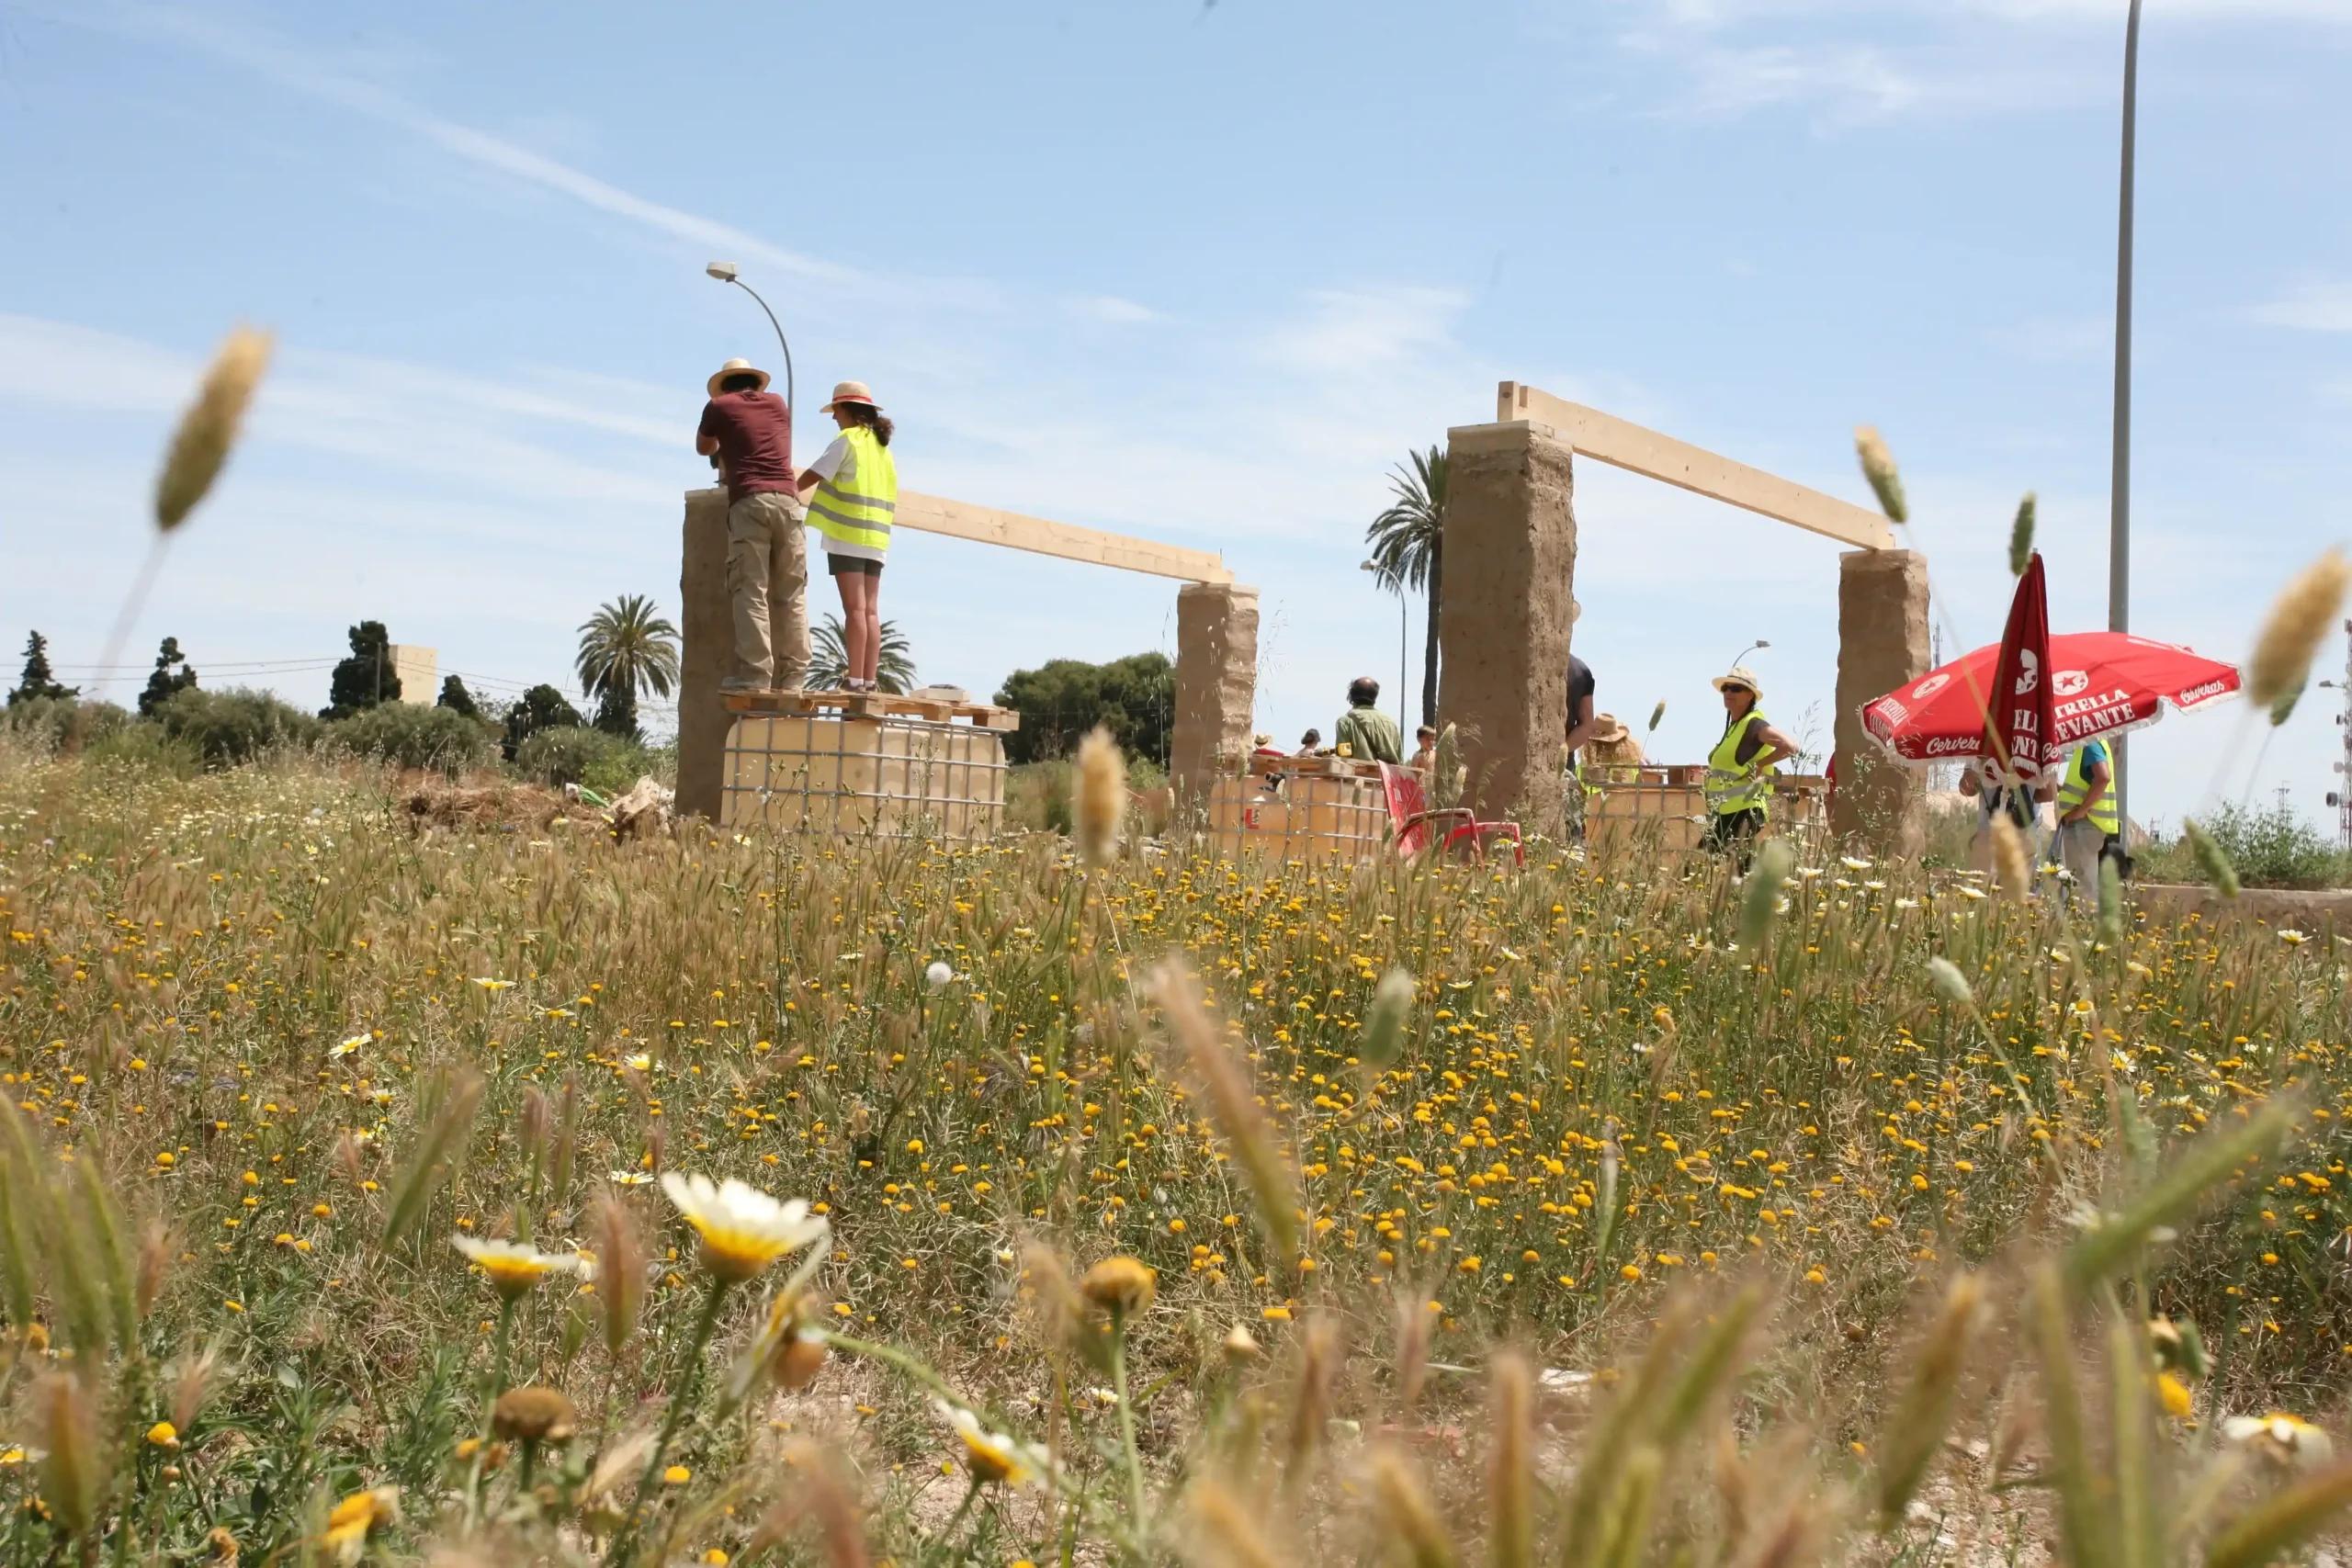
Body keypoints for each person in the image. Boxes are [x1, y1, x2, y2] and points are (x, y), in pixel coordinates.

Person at [695, 358, 806, 694]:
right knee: (792, 594)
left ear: (724, 385)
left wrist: (724, 442)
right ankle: (794, 679)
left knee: (750, 590)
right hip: (790, 503)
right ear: (756, 384)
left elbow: (704, 448)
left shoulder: (718, 406)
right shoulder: (777, 403)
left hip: (750, 502)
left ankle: (756, 676)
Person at [796, 381, 899, 693]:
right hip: (876, 538)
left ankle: (854, 681)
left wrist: (788, 489)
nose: (833, 417)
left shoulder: (848, 440)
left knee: (854, 610)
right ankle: (868, 680)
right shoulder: (882, 448)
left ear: (848, 410)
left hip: (847, 533)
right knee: (870, 611)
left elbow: (816, 472)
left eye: (836, 410)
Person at [1705, 666, 1797, 867]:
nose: (1728, 692)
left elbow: (1790, 747)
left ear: (1750, 696)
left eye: (1736, 689)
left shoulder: (1754, 724)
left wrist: (1760, 764)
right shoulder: (1736, 726)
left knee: (1707, 864)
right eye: (1726, 688)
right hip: (1726, 812)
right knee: (1738, 869)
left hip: (1745, 810)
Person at [1957, 754, 2046, 875]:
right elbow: (2048, 794)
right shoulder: (2038, 743)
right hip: (2026, 832)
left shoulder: (1981, 744)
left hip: (1989, 831)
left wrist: (1977, 767)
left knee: (1983, 888)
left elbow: (1966, 789)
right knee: (2026, 890)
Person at [2053, 739, 2121, 893]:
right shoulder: (2094, 743)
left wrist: (2080, 812)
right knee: (2078, 883)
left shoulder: (2091, 742)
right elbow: (2085, 783)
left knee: (2081, 885)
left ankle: (2085, 915)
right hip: (2086, 825)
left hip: (2083, 825)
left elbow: (2103, 777)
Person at [1334, 677, 1403, 764]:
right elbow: (1399, 757)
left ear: (1352, 696)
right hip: (1387, 777)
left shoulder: (1345, 721)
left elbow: (1343, 758)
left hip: (1359, 776)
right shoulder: (1390, 723)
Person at [1565, 649, 1597, 763]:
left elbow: (1587, 725)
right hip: (1563, 763)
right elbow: (1587, 725)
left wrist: (1560, 753)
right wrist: (1563, 751)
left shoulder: (1581, 671)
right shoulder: (1581, 669)